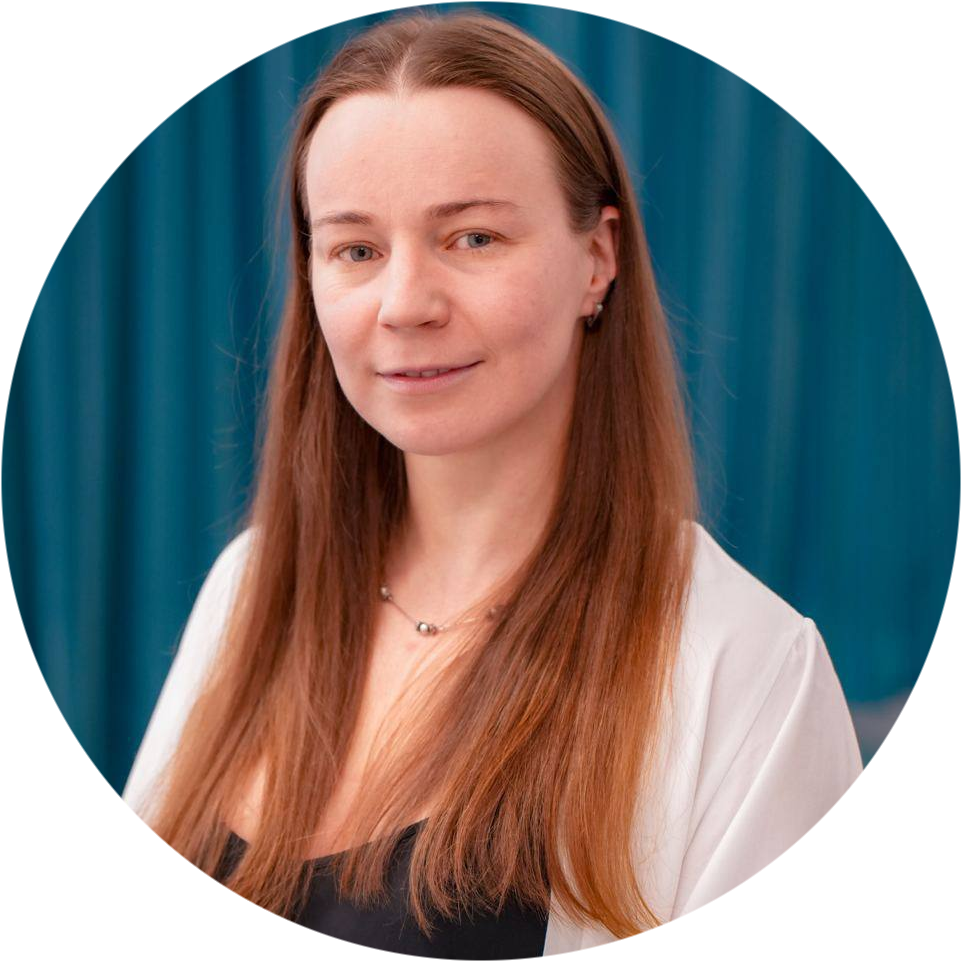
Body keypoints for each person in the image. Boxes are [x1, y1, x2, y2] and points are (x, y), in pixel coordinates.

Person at [85, 7, 867, 960]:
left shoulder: (748, 671)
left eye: (473, 238)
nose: (405, 304)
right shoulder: (248, 589)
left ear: (597, 259)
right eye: (357, 249)